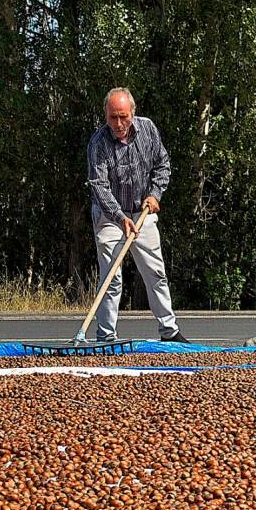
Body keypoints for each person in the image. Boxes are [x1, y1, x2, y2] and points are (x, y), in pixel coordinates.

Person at [86, 87, 188, 344]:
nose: (118, 124)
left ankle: (169, 330)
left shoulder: (148, 130)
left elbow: (162, 164)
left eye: (123, 116)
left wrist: (155, 194)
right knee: (111, 277)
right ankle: (106, 336)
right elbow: (99, 186)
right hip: (110, 217)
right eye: (112, 118)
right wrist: (120, 218)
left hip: (142, 213)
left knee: (155, 272)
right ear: (105, 116)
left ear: (132, 112)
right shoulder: (98, 144)